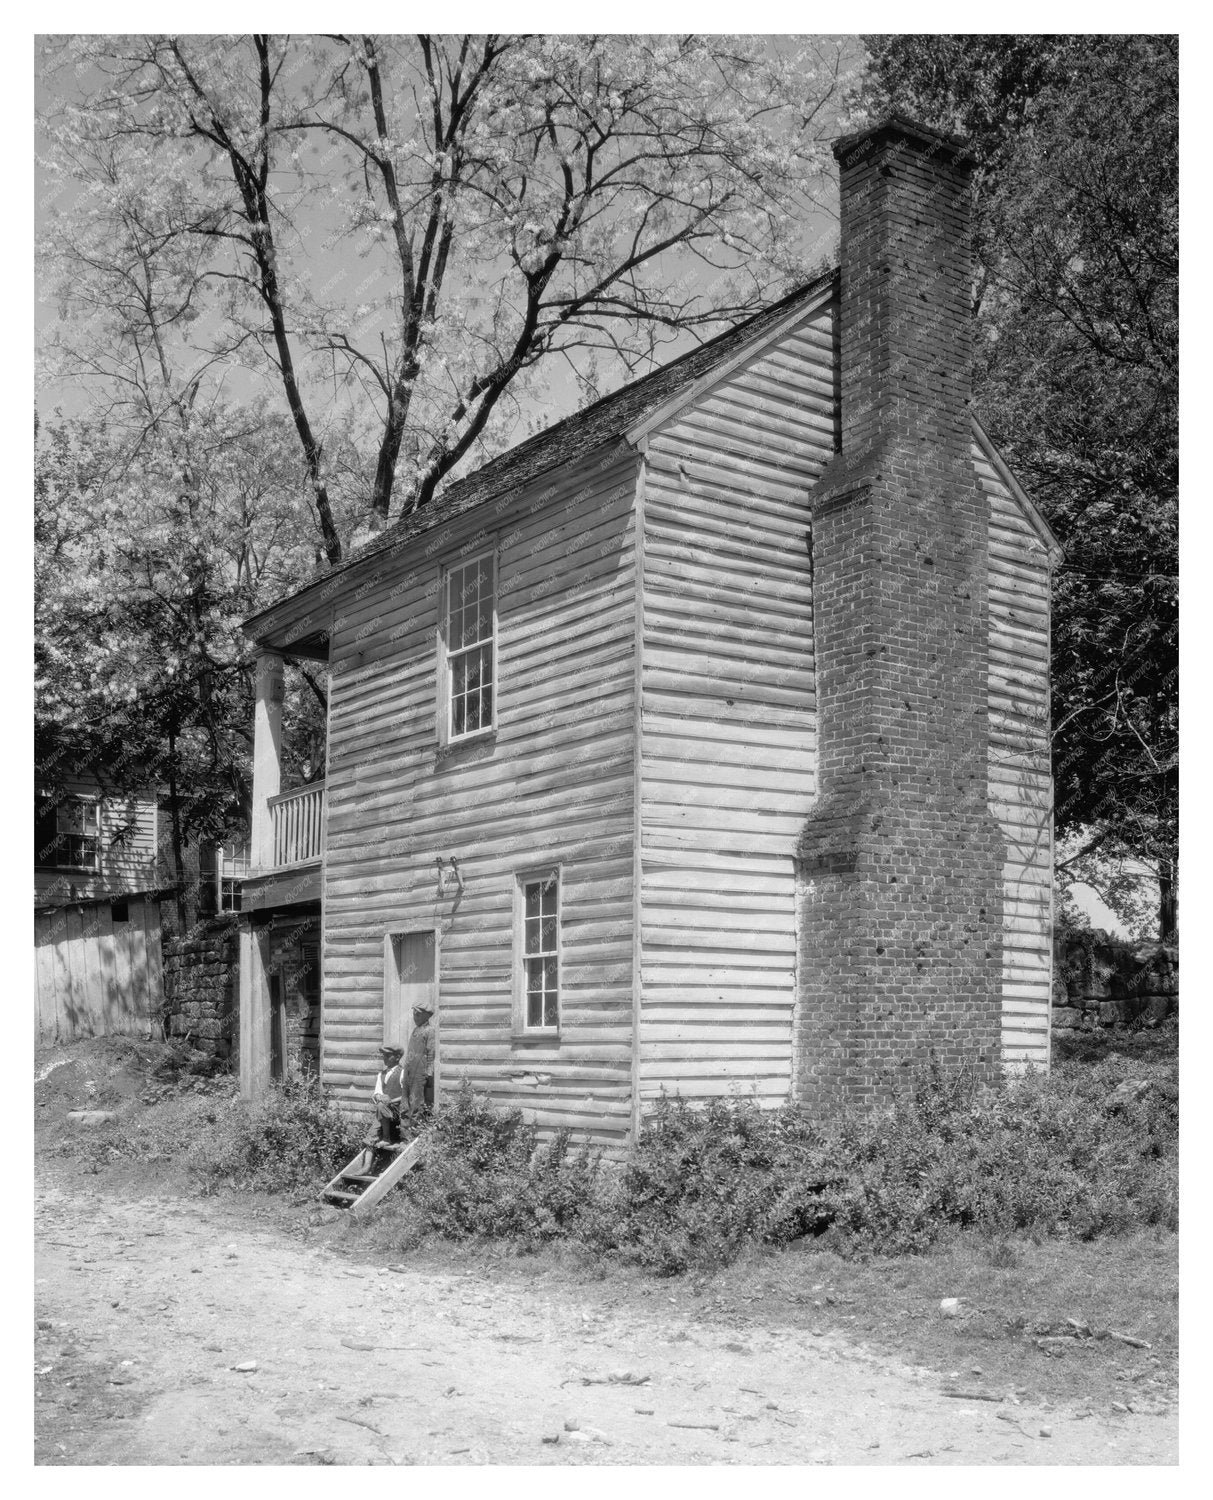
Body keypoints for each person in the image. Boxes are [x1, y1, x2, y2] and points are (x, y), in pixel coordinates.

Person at [403, 1005, 436, 1127]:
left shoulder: (429, 1030)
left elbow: (431, 1052)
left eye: (418, 1015)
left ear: (426, 1016)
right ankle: (405, 1129)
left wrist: (429, 1071)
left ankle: (415, 1130)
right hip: (409, 1069)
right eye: (414, 1015)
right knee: (406, 1098)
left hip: (420, 1071)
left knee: (417, 1100)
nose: (415, 1017)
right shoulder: (415, 1030)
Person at [367, 1044, 405, 1146]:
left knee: (381, 1106)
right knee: (380, 1105)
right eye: (384, 1055)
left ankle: (385, 1138)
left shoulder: (403, 1073)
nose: (384, 1058)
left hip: (399, 1111)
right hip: (384, 1110)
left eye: (388, 1056)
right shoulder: (381, 1074)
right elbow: (377, 1093)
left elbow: (406, 1095)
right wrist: (379, 1097)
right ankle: (373, 1140)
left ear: (397, 1057)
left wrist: (391, 1101)